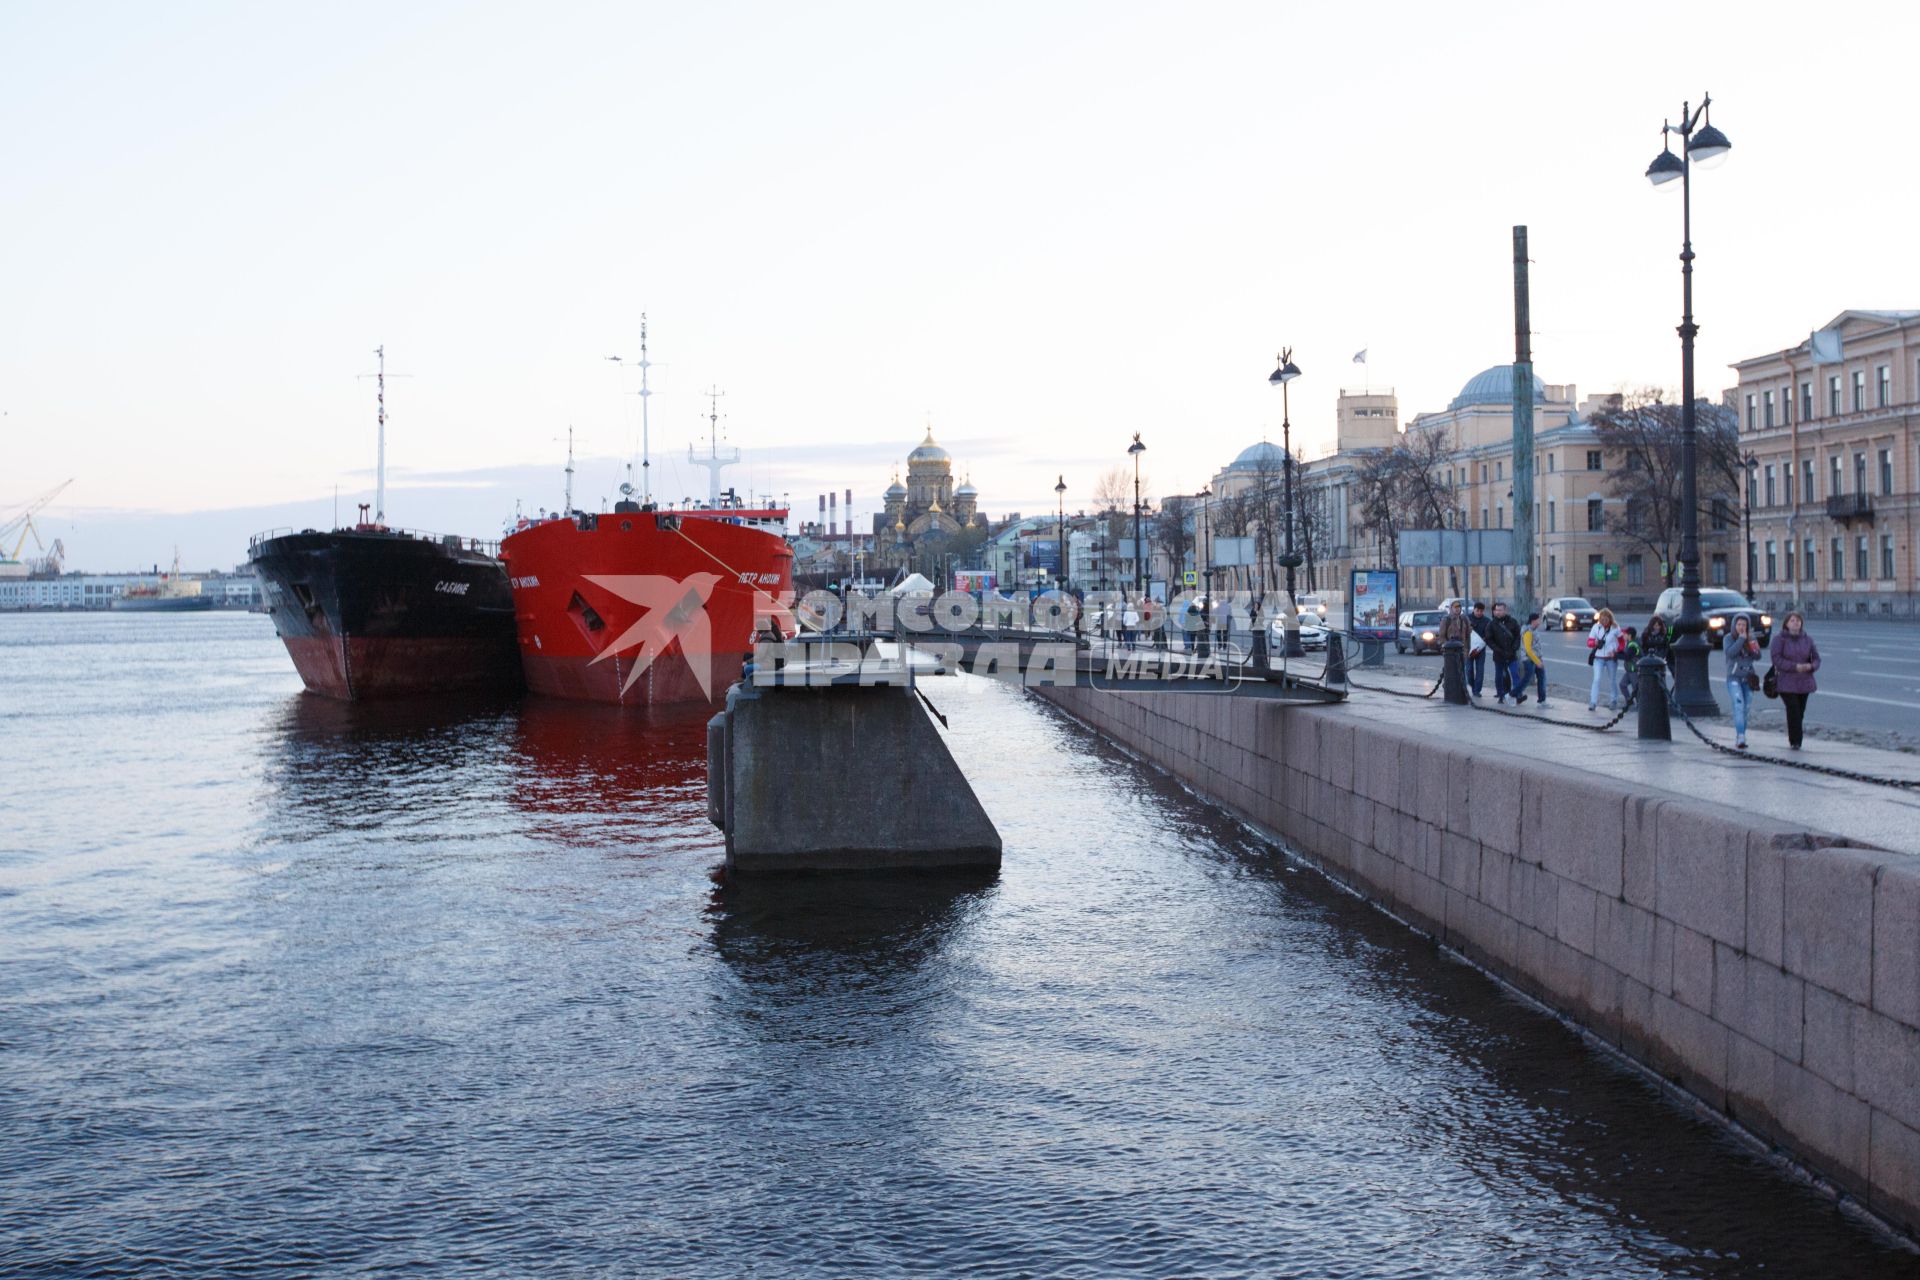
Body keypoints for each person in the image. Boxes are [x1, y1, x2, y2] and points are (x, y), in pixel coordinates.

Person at [1769, 610, 1821, 749]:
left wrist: (1810, 666)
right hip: (1786, 681)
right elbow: (1776, 659)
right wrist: (1795, 667)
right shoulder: (1779, 639)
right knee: (1793, 710)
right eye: (1792, 620)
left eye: (1798, 620)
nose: (1795, 623)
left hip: (1804, 681)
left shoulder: (1807, 639)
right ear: (1786, 624)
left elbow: (1816, 658)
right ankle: (1796, 741)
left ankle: (1795, 738)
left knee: (1800, 711)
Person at [1723, 612, 1762, 750]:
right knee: (1738, 704)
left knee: (1746, 708)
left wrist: (1751, 643)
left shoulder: (1750, 638)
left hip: (1748, 677)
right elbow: (1730, 653)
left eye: (1744, 625)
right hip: (1734, 677)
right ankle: (1740, 736)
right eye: (1739, 624)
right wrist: (1740, 640)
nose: (1741, 627)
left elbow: (1758, 656)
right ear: (1734, 625)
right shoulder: (1728, 638)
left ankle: (1742, 733)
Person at [1587, 607, 1624, 712]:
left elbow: (1622, 642)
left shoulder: (1615, 628)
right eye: (1602, 619)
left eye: (1606, 619)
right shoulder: (1596, 627)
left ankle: (1613, 700)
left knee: (1612, 680)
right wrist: (1594, 643)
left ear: (1610, 618)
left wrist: (1616, 650)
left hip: (1611, 658)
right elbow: (1589, 642)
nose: (1604, 621)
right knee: (1596, 679)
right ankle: (1593, 702)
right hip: (1598, 658)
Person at [1489, 601, 1526, 704]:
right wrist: (1497, 649)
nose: (1498, 612)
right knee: (1499, 676)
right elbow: (1489, 639)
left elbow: (1518, 636)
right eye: (1496, 610)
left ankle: (1517, 694)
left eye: (1500, 610)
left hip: (1511, 654)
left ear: (1505, 610)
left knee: (1515, 674)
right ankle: (1501, 695)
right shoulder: (1492, 624)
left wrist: (1514, 647)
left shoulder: (1513, 622)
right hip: (1499, 655)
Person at [1520, 611, 1548, 706]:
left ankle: (1542, 700)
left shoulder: (1534, 630)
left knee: (1542, 679)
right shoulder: (1528, 632)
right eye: (1538, 619)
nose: (1539, 621)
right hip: (1530, 660)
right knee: (1526, 679)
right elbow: (1528, 650)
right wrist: (1537, 662)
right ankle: (1512, 694)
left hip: (1536, 659)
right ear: (1533, 621)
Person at [1467, 601, 1491, 697]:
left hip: (1480, 649)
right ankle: (1472, 685)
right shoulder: (1467, 618)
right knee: (1468, 670)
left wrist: (1484, 640)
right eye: (1477, 610)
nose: (1479, 613)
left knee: (1480, 669)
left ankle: (1477, 690)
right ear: (1474, 609)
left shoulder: (1487, 621)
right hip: (1469, 648)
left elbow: (1489, 634)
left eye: (1481, 611)